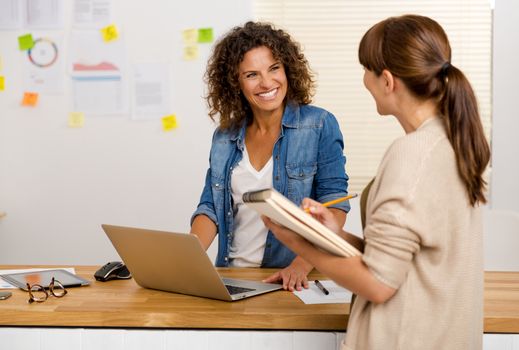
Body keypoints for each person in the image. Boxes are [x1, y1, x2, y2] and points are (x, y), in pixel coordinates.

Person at [263, 14, 490, 349]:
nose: (364, 81)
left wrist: (297, 242)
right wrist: (335, 235)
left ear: (387, 80)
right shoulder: (449, 142)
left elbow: (380, 283)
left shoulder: (412, 155)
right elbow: (408, 256)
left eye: (366, 70)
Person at [190, 21, 351, 291]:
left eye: (274, 68)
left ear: (287, 68)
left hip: (290, 278)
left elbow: (334, 204)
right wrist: (188, 259)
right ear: (235, 83)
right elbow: (210, 208)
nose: (267, 83)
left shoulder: (319, 125)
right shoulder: (224, 136)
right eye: (252, 75)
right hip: (230, 276)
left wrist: (301, 264)